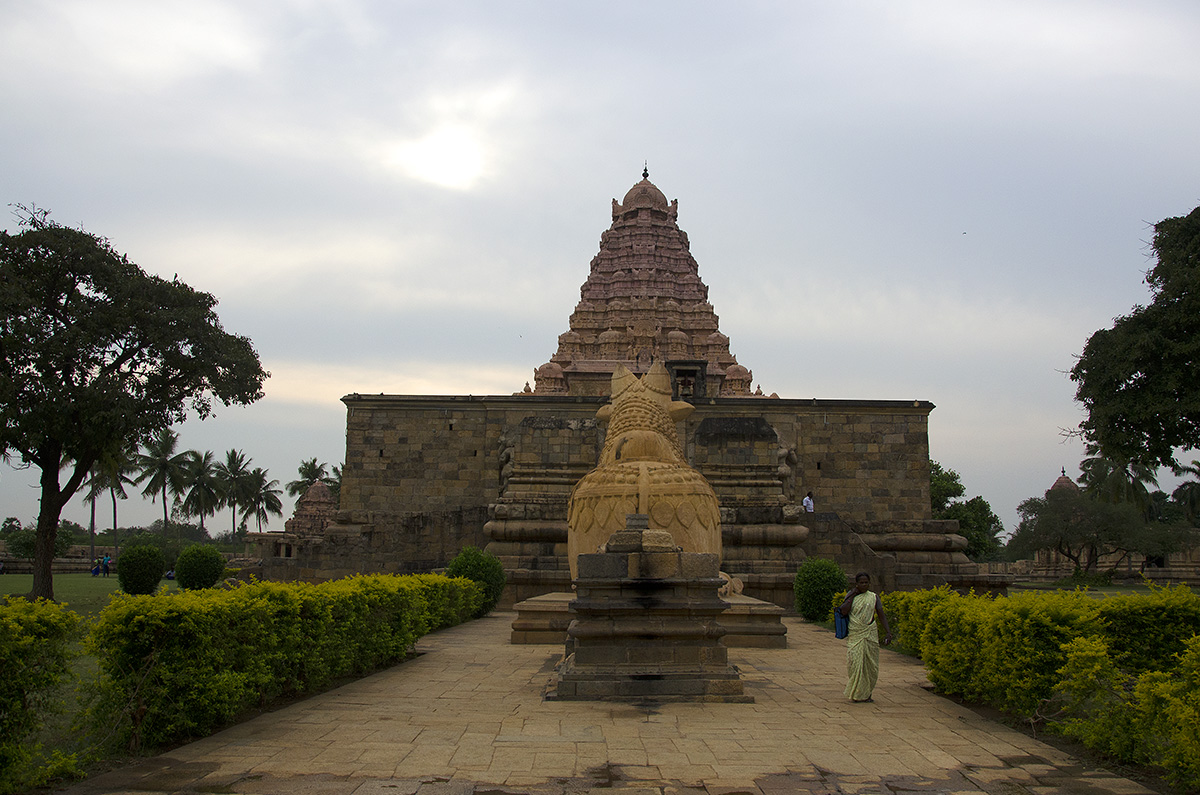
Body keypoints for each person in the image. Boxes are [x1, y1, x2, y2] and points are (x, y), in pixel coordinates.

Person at [837, 571, 892, 703]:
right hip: (855, 633)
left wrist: (888, 632)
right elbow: (843, 611)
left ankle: (866, 693)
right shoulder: (851, 596)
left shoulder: (873, 597)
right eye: (861, 583)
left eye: (866, 582)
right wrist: (853, 594)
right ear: (856, 584)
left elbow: (881, 615)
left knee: (869, 665)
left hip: (870, 633)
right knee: (855, 663)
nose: (864, 585)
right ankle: (857, 691)